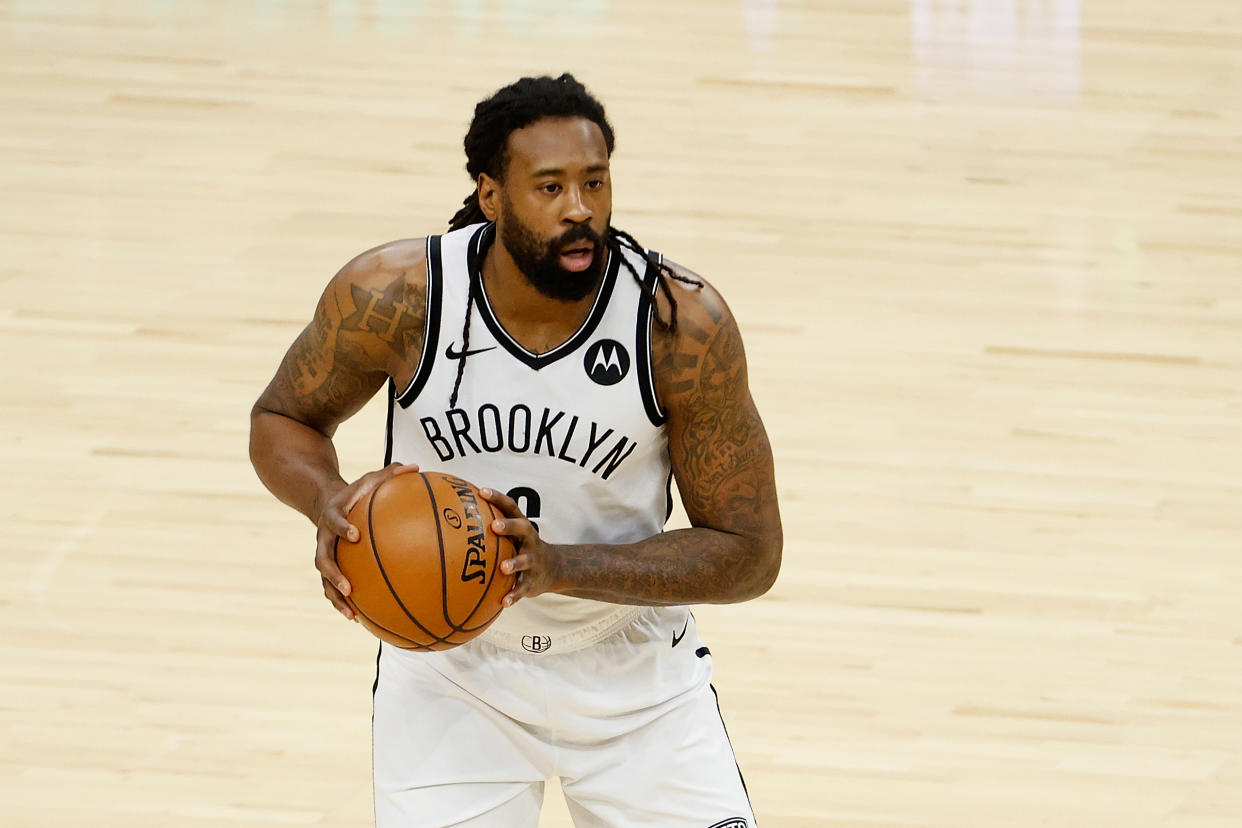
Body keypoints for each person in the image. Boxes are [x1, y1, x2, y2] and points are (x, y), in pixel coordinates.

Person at [250, 73, 782, 828]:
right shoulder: (398, 295)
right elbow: (282, 417)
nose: (580, 210)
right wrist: (328, 503)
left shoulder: (679, 326)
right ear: (491, 194)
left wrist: (557, 567)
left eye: (595, 183)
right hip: (451, 676)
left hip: (632, 672)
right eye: (550, 187)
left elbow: (750, 554)